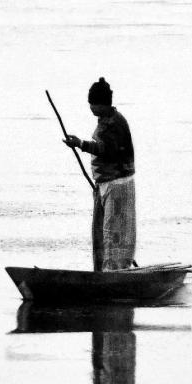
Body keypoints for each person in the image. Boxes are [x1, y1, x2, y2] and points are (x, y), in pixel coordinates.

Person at [63, 77, 137, 272]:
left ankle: (114, 272)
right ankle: (102, 272)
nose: (91, 108)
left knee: (114, 233)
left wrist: (81, 144)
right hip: (104, 183)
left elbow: (106, 150)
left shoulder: (114, 123)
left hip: (118, 184)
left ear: (103, 104)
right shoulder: (104, 121)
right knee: (101, 233)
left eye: (93, 104)